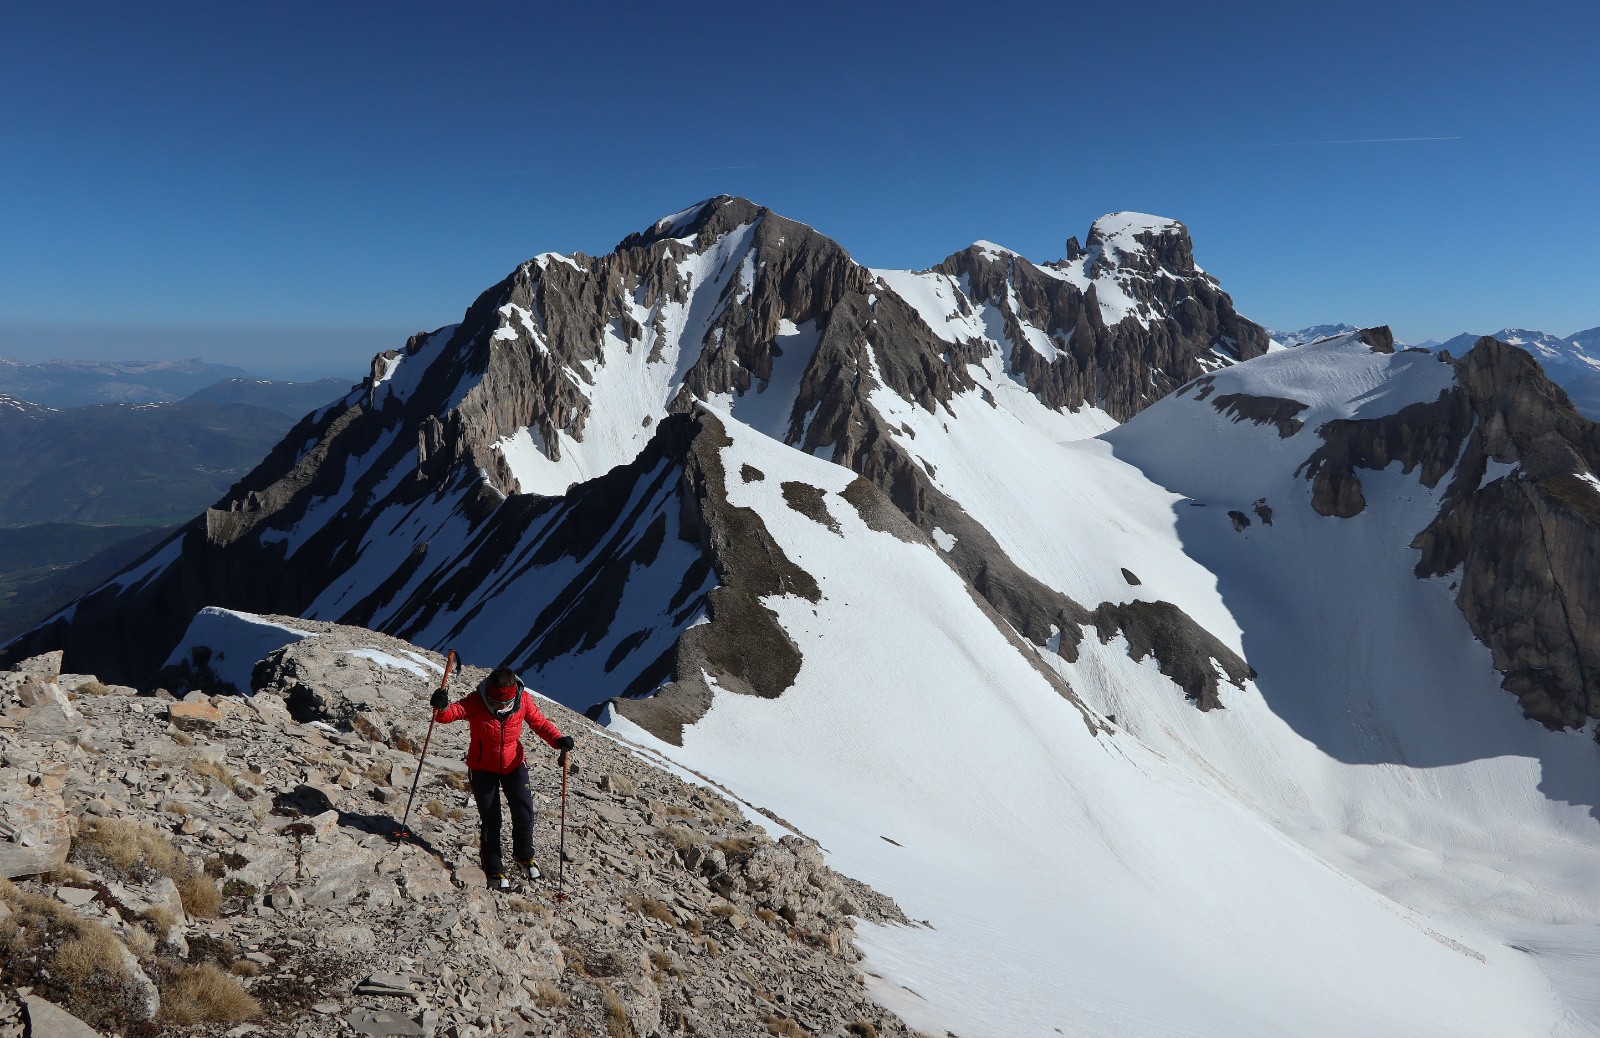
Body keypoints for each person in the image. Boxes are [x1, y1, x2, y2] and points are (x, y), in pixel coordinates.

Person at [431, 666, 575, 891]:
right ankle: (494, 868)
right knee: (492, 820)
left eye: (505, 703)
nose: (500, 707)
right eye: (496, 702)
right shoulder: (477, 701)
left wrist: (558, 740)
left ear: (513, 693)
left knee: (524, 812)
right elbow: (451, 714)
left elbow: (539, 723)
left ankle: (524, 857)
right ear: (489, 691)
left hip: (514, 765)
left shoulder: (523, 700)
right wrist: (442, 706)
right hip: (481, 768)